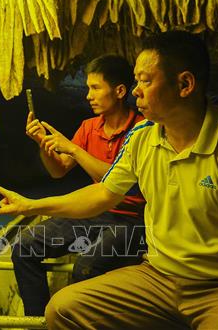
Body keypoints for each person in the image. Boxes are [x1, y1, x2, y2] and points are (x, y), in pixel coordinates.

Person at [0, 31, 218, 329]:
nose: (135, 90)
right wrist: (32, 205)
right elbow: (102, 194)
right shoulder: (142, 136)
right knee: (63, 310)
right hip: (156, 277)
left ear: (184, 84)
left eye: (145, 80)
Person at [12, 54, 147, 316]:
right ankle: (38, 321)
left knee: (86, 267)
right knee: (24, 247)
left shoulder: (141, 130)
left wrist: (73, 148)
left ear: (119, 91)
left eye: (96, 88)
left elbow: (117, 181)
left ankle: (83, 320)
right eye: (88, 88)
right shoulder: (89, 127)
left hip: (132, 220)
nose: (88, 96)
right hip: (93, 212)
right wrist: (43, 144)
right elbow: (59, 171)